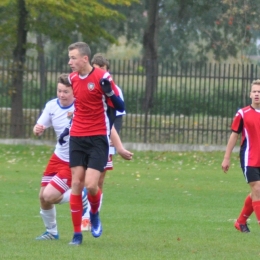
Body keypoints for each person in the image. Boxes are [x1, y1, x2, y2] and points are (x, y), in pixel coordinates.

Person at [67, 42, 132, 245]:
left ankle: (94, 213)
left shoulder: (102, 77)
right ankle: (77, 235)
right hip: (77, 136)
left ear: (85, 59)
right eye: (69, 58)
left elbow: (120, 107)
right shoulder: (72, 78)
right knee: (76, 184)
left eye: (73, 58)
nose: (70, 62)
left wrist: (110, 93)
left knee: (91, 184)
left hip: (97, 138)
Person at [33, 74, 88, 240]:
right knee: (43, 198)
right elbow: (40, 124)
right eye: (59, 91)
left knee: (50, 195)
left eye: (66, 91)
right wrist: (38, 129)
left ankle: (81, 195)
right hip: (57, 157)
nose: (62, 94)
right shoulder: (51, 106)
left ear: (74, 92)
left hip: (74, 161)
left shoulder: (81, 106)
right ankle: (52, 232)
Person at [81, 53, 127, 231]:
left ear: (107, 71)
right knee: (83, 180)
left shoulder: (113, 89)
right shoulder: (84, 83)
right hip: (85, 138)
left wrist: (112, 138)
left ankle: (90, 216)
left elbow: (118, 117)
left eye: (102, 71)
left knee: (97, 182)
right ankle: (85, 212)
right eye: (96, 70)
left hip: (104, 139)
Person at [221, 79, 260, 233]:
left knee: (256, 192)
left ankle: (241, 221)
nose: (257, 94)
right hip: (249, 159)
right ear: (250, 94)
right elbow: (234, 136)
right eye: (255, 91)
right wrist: (226, 157)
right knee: (257, 189)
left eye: (259, 92)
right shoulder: (242, 113)